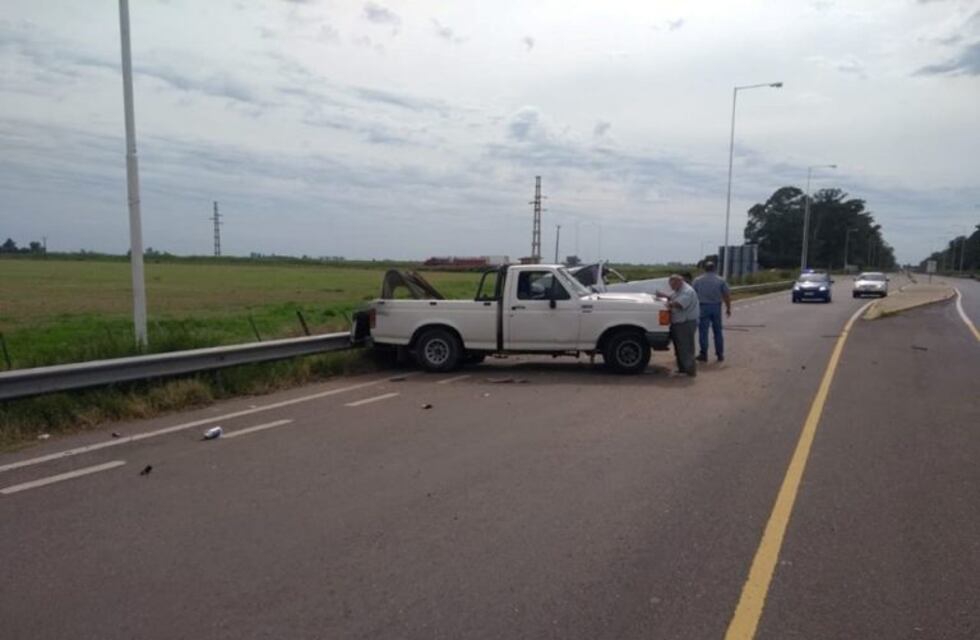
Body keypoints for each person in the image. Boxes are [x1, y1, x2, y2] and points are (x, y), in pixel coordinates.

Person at [657, 274, 700, 377]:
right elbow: (674, 296)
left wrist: (667, 304)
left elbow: (679, 304)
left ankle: (689, 371)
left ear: (678, 282)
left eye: (672, 284)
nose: (671, 287)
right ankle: (683, 369)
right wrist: (664, 296)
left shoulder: (687, 291)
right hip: (680, 322)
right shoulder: (680, 290)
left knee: (685, 348)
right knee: (680, 348)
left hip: (685, 323)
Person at [692, 261, 732, 362]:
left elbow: (692, 295)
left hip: (703, 307)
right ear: (714, 268)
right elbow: (726, 295)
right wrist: (728, 308)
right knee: (718, 331)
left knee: (703, 332)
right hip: (716, 307)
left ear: (704, 269)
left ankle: (703, 354)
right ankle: (720, 354)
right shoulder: (721, 280)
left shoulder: (698, 280)